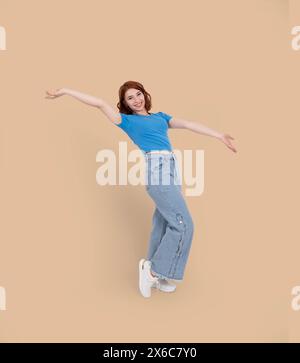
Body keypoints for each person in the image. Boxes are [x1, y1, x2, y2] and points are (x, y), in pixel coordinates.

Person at [45, 80, 237, 299]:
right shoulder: (126, 121)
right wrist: (65, 91)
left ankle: (159, 273)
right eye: (130, 98)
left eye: (138, 94)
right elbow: (99, 103)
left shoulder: (161, 117)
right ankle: (154, 270)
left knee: (163, 224)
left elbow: (189, 124)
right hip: (158, 171)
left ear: (145, 95)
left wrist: (219, 135)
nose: (136, 100)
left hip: (172, 171)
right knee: (184, 225)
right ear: (124, 103)